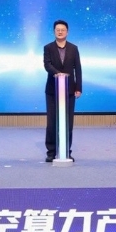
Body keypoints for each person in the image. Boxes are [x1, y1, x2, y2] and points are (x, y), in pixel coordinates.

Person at [42, 19, 83, 162]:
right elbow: (47, 65)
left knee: (68, 122)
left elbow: (78, 69)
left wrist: (78, 87)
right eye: (57, 30)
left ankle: (66, 151)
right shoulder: (48, 48)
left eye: (63, 30)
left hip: (69, 90)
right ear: (54, 32)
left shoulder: (73, 48)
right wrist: (58, 74)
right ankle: (51, 152)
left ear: (67, 32)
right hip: (52, 90)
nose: (60, 32)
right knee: (52, 122)